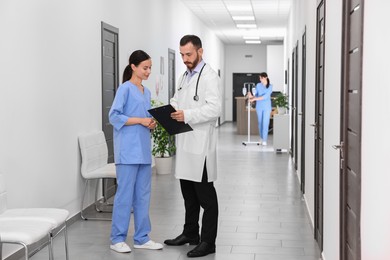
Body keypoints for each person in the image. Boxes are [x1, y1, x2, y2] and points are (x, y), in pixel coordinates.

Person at [164, 35, 222, 258]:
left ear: (200, 52)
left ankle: (208, 242)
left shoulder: (209, 77)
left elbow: (214, 109)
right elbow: (177, 99)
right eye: (182, 55)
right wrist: (170, 109)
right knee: (188, 194)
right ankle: (190, 234)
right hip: (186, 142)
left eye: (188, 54)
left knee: (206, 198)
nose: (185, 59)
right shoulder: (184, 76)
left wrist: (186, 114)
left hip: (202, 147)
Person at [108, 50, 163, 253]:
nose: (148, 71)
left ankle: (141, 237)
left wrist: (150, 123)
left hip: (142, 150)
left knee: (143, 195)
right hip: (127, 151)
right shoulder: (125, 89)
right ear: (134, 67)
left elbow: (143, 116)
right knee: (124, 195)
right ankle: (117, 238)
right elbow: (114, 117)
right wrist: (140, 120)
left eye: (150, 68)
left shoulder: (146, 92)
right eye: (145, 68)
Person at [248, 72, 273, 146]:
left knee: (265, 123)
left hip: (267, 107)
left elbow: (265, 97)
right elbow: (255, 95)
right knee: (260, 123)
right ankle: (261, 138)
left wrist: (254, 99)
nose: (260, 79)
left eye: (261, 78)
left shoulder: (270, 86)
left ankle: (264, 139)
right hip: (259, 106)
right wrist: (251, 96)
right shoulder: (258, 85)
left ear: (266, 77)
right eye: (259, 78)